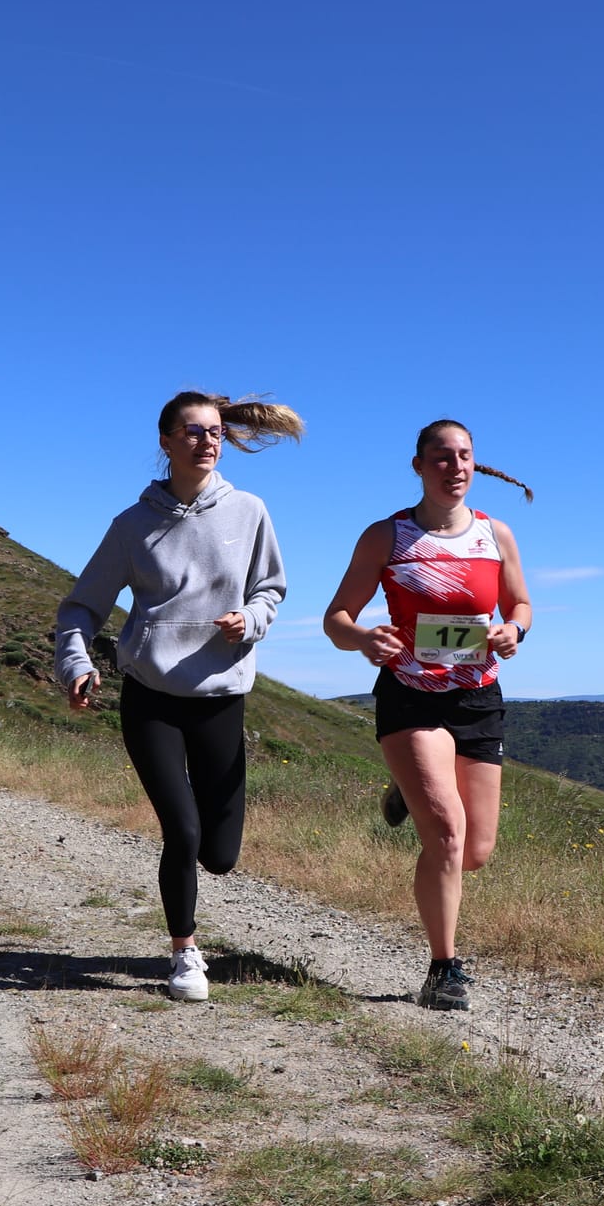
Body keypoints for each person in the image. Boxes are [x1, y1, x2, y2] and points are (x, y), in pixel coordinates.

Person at [56, 391, 303, 1002]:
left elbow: (271, 589)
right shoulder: (132, 526)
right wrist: (77, 664)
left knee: (220, 854)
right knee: (183, 832)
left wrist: (250, 619)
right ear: (165, 442)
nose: (207, 441)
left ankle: (193, 915)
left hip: (221, 697)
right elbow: (81, 606)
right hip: (152, 697)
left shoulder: (248, 511)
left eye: (214, 432)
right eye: (192, 432)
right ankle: (185, 953)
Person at [323, 420, 532, 1011]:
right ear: (418, 466)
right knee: (444, 833)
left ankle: (406, 785)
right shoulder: (387, 536)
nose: (455, 467)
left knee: (476, 851)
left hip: (476, 697)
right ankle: (443, 969)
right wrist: (364, 639)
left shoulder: (496, 534)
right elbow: (336, 617)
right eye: (441, 458)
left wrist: (513, 629)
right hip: (410, 695)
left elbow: (520, 603)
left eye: (464, 456)